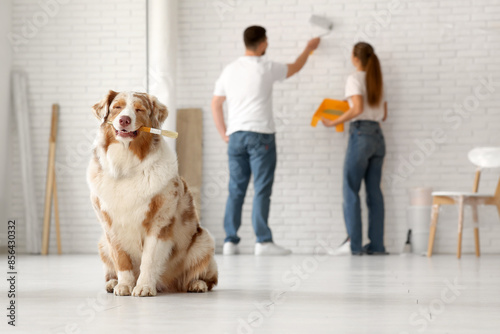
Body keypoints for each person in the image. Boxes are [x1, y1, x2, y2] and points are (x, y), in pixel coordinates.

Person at [212, 25, 320, 256]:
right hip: (261, 135)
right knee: (261, 189)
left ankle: (230, 241)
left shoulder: (229, 70)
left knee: (236, 190)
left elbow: (216, 103)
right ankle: (263, 242)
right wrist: (309, 48)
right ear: (262, 43)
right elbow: (296, 67)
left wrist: (223, 133)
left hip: (236, 136)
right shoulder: (267, 67)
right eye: (267, 42)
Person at [321, 42, 388, 255]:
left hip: (361, 135)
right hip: (378, 137)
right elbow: (383, 115)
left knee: (350, 190)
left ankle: (354, 244)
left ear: (356, 58)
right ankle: (377, 246)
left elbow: (358, 109)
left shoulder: (354, 78)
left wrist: (333, 122)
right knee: (374, 193)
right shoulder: (377, 80)